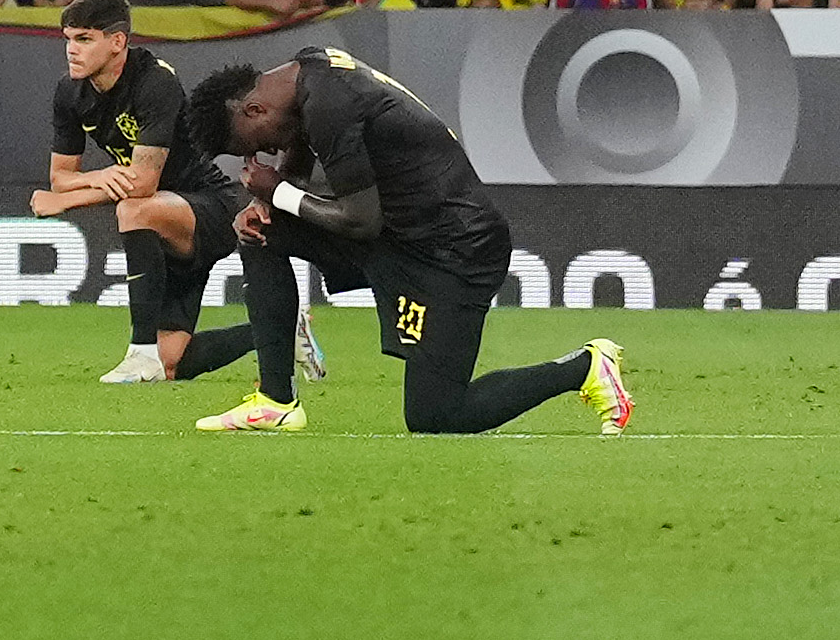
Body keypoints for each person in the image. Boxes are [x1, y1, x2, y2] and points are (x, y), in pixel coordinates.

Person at [181, 48, 632, 438]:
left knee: (436, 415)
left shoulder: (331, 103)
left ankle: (586, 367)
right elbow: (299, 141)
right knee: (261, 232)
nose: (252, 159)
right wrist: (271, 202)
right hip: (402, 235)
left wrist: (277, 190)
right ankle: (275, 403)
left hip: (455, 250)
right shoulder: (307, 74)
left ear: (255, 110)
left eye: (249, 147)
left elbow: (359, 219)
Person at [30, 0, 315, 393]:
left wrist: (67, 200)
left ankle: (139, 352)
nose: (71, 50)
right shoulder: (69, 92)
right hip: (162, 237)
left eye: (84, 39)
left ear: (117, 42)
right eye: (68, 40)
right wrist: (96, 177)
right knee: (174, 363)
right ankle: (282, 329)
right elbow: (61, 175)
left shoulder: (154, 82)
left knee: (133, 209)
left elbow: (142, 184)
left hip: (207, 208)